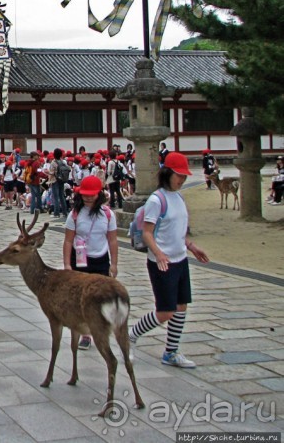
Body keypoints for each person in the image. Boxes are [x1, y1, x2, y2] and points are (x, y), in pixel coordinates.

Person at [129, 152, 209, 368]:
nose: (181, 180)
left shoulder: (179, 197)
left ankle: (171, 352)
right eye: (178, 175)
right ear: (167, 174)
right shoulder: (157, 199)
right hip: (161, 262)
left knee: (181, 306)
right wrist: (159, 253)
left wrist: (191, 247)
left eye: (184, 176)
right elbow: (147, 232)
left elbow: (178, 231)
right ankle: (131, 335)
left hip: (180, 259)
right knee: (165, 311)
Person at [63, 176, 118, 350]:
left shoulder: (108, 214)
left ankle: (98, 328)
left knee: (100, 297)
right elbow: (68, 240)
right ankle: (85, 333)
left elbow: (113, 240)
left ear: (99, 194)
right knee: (81, 298)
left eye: (91, 195)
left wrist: (114, 263)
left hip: (100, 257)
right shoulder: (75, 214)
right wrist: (66, 265)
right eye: (85, 195)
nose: (87, 198)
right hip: (80, 258)